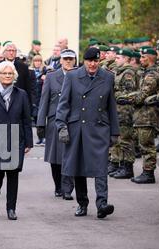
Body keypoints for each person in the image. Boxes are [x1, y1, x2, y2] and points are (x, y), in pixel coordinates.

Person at [56, 47, 120, 219]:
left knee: (101, 168)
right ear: (83, 61)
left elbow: (111, 106)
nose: (93, 64)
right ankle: (82, 203)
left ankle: (102, 204)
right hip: (77, 128)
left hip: (99, 128)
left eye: (96, 61)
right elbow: (63, 104)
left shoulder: (107, 77)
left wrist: (114, 130)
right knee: (79, 168)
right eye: (89, 61)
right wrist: (61, 126)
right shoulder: (72, 76)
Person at [0, 61, 33, 220]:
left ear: (14, 76)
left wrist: (28, 142)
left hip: (16, 139)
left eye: (10, 73)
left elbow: (26, 119)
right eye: (4, 73)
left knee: (13, 175)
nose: (8, 76)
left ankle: (11, 208)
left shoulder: (21, 94)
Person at [119, 48, 159, 184]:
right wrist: (128, 97)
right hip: (142, 114)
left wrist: (127, 99)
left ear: (149, 58)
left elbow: (142, 95)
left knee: (147, 145)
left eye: (143, 57)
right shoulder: (146, 72)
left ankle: (148, 173)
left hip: (148, 115)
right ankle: (146, 171)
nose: (141, 59)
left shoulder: (153, 73)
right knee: (143, 144)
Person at [37, 49, 77, 200]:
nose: (67, 61)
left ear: (74, 61)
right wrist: (41, 123)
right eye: (65, 59)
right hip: (55, 120)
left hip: (73, 120)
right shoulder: (52, 77)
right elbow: (44, 100)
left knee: (70, 155)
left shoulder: (80, 76)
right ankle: (58, 186)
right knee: (56, 157)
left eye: (70, 59)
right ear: (60, 60)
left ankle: (68, 188)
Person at [109, 49, 138, 179]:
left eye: (119, 58)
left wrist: (114, 94)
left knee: (126, 140)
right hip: (118, 110)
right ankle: (121, 165)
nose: (116, 60)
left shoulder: (128, 72)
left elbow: (129, 92)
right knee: (120, 140)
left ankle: (128, 168)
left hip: (125, 110)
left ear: (126, 59)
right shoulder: (119, 71)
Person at [0, 42, 34, 108]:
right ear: (4, 52)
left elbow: (27, 87)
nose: (11, 53)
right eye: (9, 50)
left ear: (16, 53)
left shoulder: (23, 67)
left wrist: (29, 105)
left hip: (18, 101)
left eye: (13, 51)